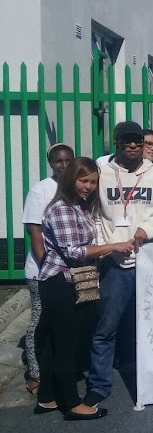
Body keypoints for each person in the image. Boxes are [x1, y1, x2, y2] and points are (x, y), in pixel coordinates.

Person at [83, 121, 153, 408]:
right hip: (115, 263)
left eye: (138, 141)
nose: (133, 146)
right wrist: (107, 246)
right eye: (126, 141)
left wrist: (146, 230)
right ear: (116, 143)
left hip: (150, 262)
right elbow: (94, 214)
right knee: (107, 327)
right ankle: (99, 386)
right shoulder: (102, 171)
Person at [35, 157, 133, 420]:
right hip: (61, 282)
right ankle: (71, 404)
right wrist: (114, 246)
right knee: (66, 345)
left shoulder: (78, 206)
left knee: (55, 344)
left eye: (92, 181)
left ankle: (47, 398)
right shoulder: (61, 209)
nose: (88, 186)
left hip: (71, 281)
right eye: (83, 180)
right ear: (70, 178)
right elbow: (74, 252)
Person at [21, 143, 74, 396]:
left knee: (64, 321)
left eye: (67, 161)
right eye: (58, 162)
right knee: (39, 321)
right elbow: (35, 232)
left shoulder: (77, 186)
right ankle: (36, 374)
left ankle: (60, 368)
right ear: (50, 163)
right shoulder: (41, 190)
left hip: (69, 268)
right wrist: (47, 268)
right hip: (43, 271)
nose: (63, 166)